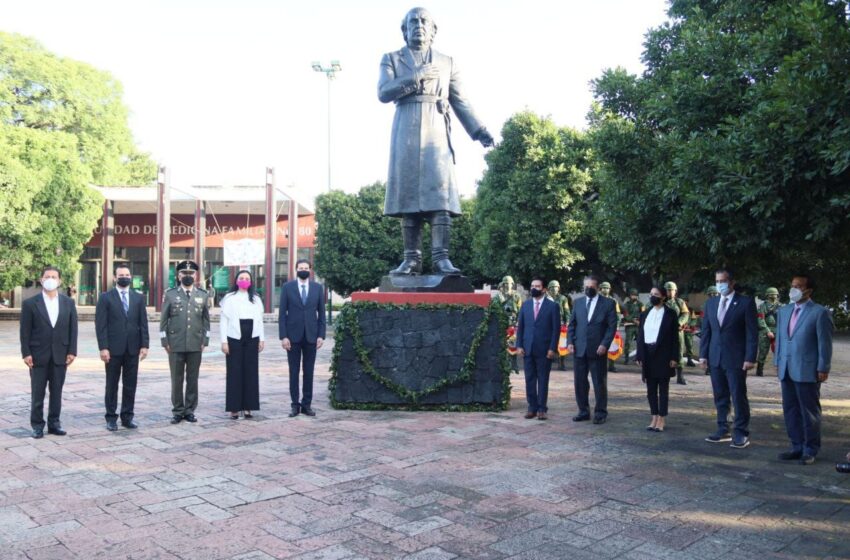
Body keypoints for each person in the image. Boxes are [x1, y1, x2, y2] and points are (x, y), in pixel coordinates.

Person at [379, 7, 494, 275]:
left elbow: (460, 100)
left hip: (437, 131)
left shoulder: (447, 62)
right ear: (404, 29)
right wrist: (417, 76)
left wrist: (479, 130)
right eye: (413, 22)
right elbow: (383, 92)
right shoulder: (392, 59)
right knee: (408, 196)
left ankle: (441, 257)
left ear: (433, 29)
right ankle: (412, 259)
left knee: (439, 194)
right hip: (406, 128)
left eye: (423, 21)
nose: (418, 25)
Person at [774, 274, 833, 465]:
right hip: (786, 368)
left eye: (798, 286)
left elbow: (825, 343)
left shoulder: (819, 312)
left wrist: (823, 367)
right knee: (790, 409)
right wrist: (777, 361)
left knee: (809, 411)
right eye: (792, 285)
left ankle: (810, 448)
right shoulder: (784, 311)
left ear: (809, 290)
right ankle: (796, 446)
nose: (794, 289)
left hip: (808, 369)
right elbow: (780, 338)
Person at [699, 268, 759, 448]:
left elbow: (752, 333)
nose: (720, 285)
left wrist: (750, 357)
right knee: (720, 395)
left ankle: (740, 432)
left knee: (738, 395)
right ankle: (722, 428)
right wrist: (702, 355)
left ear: (732, 282)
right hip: (715, 357)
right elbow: (707, 331)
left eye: (723, 281)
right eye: (717, 281)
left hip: (736, 358)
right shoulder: (711, 303)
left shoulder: (745, 303)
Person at [19, 266, 78, 438]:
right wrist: (26, 353)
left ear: (59, 281)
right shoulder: (30, 304)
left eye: (54, 276)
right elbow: (25, 332)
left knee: (57, 391)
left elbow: (73, 329)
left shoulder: (68, 303)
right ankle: (37, 425)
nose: (51, 279)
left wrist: (72, 351)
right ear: (41, 279)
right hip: (38, 355)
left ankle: (54, 423)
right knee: (38, 392)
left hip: (61, 354)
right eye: (47, 276)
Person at [95, 264, 149, 431]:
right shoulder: (105, 297)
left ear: (130, 277)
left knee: (130, 384)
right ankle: (111, 417)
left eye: (127, 274)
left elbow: (143, 323)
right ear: (114, 277)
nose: (124, 277)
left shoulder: (138, 298)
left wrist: (144, 345)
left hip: (133, 349)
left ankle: (127, 417)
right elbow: (101, 325)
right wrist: (103, 347)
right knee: (112, 384)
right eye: (121, 275)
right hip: (112, 349)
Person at [160, 260, 210, 424]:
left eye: (191, 273)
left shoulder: (203, 294)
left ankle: (189, 410)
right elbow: (163, 320)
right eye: (184, 273)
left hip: (196, 343)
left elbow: (206, 321)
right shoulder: (170, 294)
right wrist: (164, 341)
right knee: (177, 378)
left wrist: (205, 340)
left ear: (196, 276)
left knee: (193, 378)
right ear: (178, 275)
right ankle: (178, 410)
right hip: (175, 343)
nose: (188, 276)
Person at [567, 275, 618, 424]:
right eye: (586, 286)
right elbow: (572, 325)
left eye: (591, 286)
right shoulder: (578, 303)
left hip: (598, 350)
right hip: (579, 349)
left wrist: (605, 344)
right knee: (580, 382)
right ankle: (583, 411)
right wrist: (570, 341)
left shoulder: (608, 303)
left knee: (599, 382)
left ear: (598, 287)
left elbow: (611, 327)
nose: (588, 289)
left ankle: (601, 412)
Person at [279, 259, 326, 417]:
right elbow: (282, 315)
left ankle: (307, 405)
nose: (303, 270)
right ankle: (295, 405)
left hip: (312, 337)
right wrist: (283, 336)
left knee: (309, 372)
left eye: (306, 268)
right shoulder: (287, 287)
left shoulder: (317, 288)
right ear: (295, 270)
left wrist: (321, 335)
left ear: (310, 270)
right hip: (292, 337)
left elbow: (322, 315)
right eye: (300, 268)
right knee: (293, 372)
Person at [220, 270, 265, 419]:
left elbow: (260, 320)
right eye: (241, 278)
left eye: (247, 278)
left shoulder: (256, 299)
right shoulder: (229, 298)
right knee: (234, 372)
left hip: (252, 337)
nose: (244, 280)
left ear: (251, 281)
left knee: (251, 372)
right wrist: (224, 341)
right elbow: (224, 321)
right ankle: (234, 408)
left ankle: (248, 407)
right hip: (234, 337)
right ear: (236, 280)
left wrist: (262, 339)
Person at [635, 286, 680, 433]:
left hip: (664, 354)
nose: (652, 296)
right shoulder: (645, 313)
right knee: (650, 389)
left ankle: (662, 417)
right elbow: (640, 336)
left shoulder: (670, 314)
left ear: (663, 297)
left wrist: (674, 356)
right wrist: (639, 354)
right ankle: (653, 416)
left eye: (656, 294)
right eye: (651, 294)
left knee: (663, 389)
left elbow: (675, 338)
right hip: (648, 353)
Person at [516, 277, 561, 420]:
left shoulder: (553, 306)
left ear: (544, 289)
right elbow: (521, 327)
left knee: (542, 380)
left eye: (537, 286)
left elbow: (556, 330)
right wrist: (519, 345)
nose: (534, 288)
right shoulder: (525, 305)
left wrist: (552, 348)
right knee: (529, 379)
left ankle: (542, 408)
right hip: (527, 349)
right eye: (532, 286)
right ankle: (532, 407)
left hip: (544, 350)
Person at [494, 276, 523, 373]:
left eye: (509, 283)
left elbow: (520, 310)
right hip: (501, 322)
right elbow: (494, 307)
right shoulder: (498, 296)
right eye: (505, 283)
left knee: (513, 345)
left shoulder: (516, 296)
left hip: (513, 323)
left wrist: (518, 321)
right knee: (501, 345)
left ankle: (514, 365)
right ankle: (503, 364)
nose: (507, 285)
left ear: (512, 284)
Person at [664, 281, 690, 385]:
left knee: (679, 352)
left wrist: (679, 323)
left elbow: (685, 314)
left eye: (672, 290)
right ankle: (664, 375)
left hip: (677, 331)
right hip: (664, 332)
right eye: (668, 290)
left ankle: (680, 376)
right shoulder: (662, 301)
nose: (670, 292)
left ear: (675, 291)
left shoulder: (680, 302)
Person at [546, 280, 571, 371]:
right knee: (548, 342)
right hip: (547, 324)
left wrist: (567, 321)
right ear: (548, 289)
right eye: (552, 287)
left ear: (558, 288)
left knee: (562, 344)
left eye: (555, 287)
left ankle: (562, 363)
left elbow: (566, 311)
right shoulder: (545, 298)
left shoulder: (563, 298)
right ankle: (548, 360)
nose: (553, 289)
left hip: (560, 323)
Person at [757, 287, 781, 377]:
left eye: (775, 295)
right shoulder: (762, 306)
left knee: (779, 351)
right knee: (763, 350)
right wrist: (767, 331)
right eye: (771, 295)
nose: (773, 296)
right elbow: (760, 319)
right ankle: (760, 370)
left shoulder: (780, 306)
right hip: (765, 330)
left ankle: (780, 370)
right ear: (767, 295)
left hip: (777, 331)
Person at [599, 282, 622, 372]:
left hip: (610, 327)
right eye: (604, 288)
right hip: (599, 327)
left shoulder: (613, 301)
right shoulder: (597, 299)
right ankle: (600, 365)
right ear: (600, 289)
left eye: (607, 288)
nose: (606, 290)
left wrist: (617, 325)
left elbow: (618, 314)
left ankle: (611, 365)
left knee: (612, 346)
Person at [622, 288, 645, 365]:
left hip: (638, 326)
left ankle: (639, 358)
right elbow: (626, 315)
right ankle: (626, 358)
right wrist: (633, 320)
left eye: (635, 295)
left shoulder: (640, 304)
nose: (634, 297)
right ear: (629, 296)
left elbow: (643, 314)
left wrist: (639, 321)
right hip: (630, 326)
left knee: (640, 342)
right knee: (628, 342)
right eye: (632, 295)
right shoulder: (626, 305)